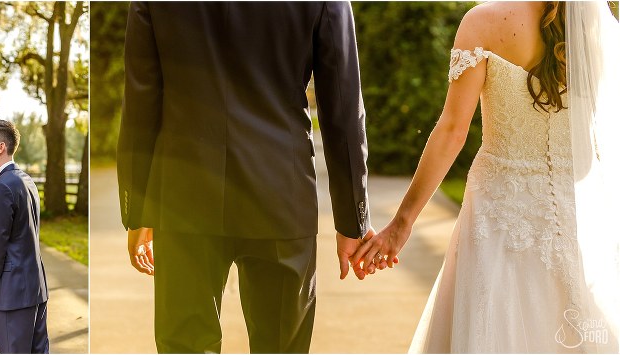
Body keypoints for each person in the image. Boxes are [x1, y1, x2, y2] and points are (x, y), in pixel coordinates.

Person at [355, 1, 620, 352]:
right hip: (571, 226)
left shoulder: (483, 21)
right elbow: (591, 150)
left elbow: (452, 131)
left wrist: (401, 224)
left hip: (495, 222)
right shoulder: (594, 29)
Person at [118, 2, 377, 353]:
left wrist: (138, 209)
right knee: (281, 345)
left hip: (184, 197)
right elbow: (343, 108)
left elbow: (141, 103)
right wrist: (352, 220)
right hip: (281, 195)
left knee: (185, 346)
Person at [0, 119, 49, 353]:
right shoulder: (25, 180)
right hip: (36, 288)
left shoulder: (0, 187)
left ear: (0, 147)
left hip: (12, 295)